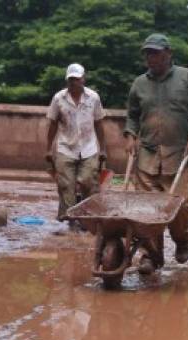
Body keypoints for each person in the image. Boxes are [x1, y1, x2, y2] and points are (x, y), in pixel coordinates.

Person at [124, 33, 188, 274]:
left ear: (168, 53)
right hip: (147, 157)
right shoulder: (139, 84)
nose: (151, 58)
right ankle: (151, 256)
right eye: (148, 53)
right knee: (148, 212)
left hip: (180, 155)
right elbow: (131, 114)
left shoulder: (187, 77)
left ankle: (182, 240)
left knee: (179, 208)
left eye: (155, 53)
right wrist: (130, 135)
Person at [46, 63, 107, 229]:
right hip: (66, 147)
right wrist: (48, 149)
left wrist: (102, 149)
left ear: (83, 79)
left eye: (77, 79)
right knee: (66, 185)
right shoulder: (59, 99)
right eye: (71, 79)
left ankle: (89, 218)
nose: (73, 83)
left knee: (88, 181)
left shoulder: (93, 98)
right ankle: (71, 219)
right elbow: (52, 124)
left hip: (89, 147)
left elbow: (99, 123)